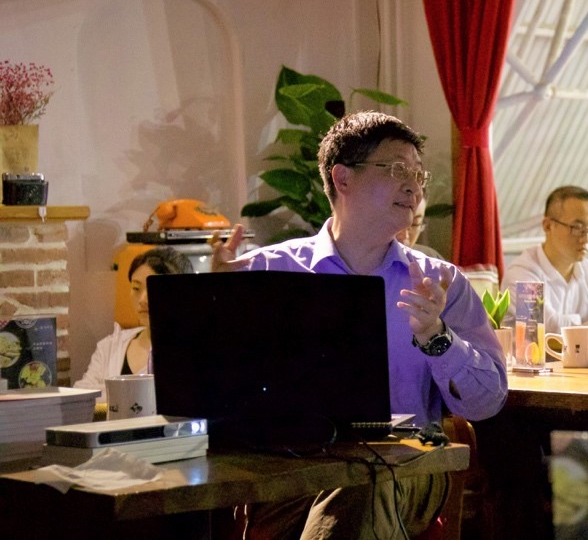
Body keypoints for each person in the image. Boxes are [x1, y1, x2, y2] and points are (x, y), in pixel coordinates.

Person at [213, 111, 508, 539]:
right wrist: (213, 310)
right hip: (289, 471)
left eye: (419, 175)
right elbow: (187, 391)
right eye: (398, 170)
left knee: (365, 482)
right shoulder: (266, 272)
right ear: (343, 178)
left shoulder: (439, 283)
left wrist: (437, 338)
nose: (414, 187)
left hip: (407, 466)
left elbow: (488, 402)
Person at [75, 246, 192, 398]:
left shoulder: (190, 350)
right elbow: (82, 398)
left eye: (152, 289)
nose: (143, 300)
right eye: (136, 288)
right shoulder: (110, 346)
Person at [500, 185, 588, 333]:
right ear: (548, 226)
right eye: (576, 227)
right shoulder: (521, 274)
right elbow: (548, 330)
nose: (586, 238)